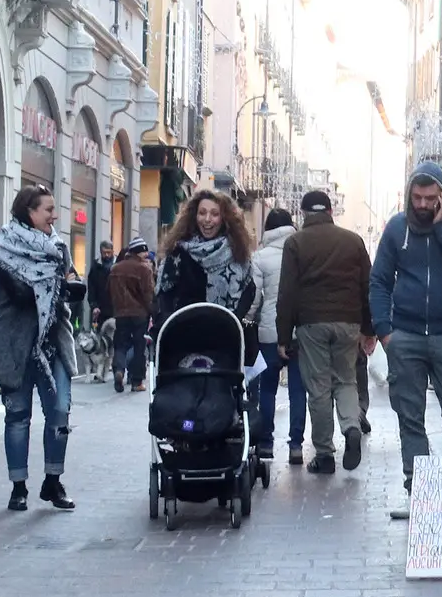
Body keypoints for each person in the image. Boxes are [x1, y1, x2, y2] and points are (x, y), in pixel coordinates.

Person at [370, 160, 442, 492]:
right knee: (409, 414)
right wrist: (384, 331)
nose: (422, 204)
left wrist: (441, 229)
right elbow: (379, 281)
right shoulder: (396, 228)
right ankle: (417, 482)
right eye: (416, 198)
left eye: (429, 197)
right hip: (405, 335)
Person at [0, 185, 88, 512]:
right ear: (29, 211)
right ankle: (19, 488)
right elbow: (20, 294)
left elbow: (68, 282)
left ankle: (52, 481)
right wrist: (60, 286)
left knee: (59, 410)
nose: (54, 215)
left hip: (52, 342)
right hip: (15, 343)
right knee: (17, 416)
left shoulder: (58, 246)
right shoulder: (3, 249)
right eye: (48, 209)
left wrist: (69, 286)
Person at [277, 191, 375, 474]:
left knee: (319, 387)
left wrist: (284, 336)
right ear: (331, 212)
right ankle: (352, 426)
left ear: (303, 213)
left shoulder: (295, 243)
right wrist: (368, 329)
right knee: (346, 380)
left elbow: (287, 293)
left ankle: (324, 453)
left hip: (311, 324)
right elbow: (367, 286)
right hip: (348, 323)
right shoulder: (353, 241)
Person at [248, 209, 308, 464]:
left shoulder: (260, 257)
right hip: (299, 330)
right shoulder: (303, 252)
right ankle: (296, 446)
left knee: (268, 389)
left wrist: (248, 319)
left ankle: (266, 443)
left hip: (269, 332)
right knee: (298, 390)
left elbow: (255, 298)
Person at [153, 190, 256, 334]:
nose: (207, 219)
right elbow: (164, 298)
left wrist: (230, 323)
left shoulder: (238, 254)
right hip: (182, 341)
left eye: (215, 214)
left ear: (225, 218)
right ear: (194, 216)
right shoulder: (178, 252)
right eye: (202, 213)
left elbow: (248, 292)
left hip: (223, 341)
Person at [108, 238, 154, 393]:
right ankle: (136, 381)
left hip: (120, 313)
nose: (146, 254)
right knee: (139, 347)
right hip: (140, 314)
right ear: (138, 252)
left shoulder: (115, 268)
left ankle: (119, 370)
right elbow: (148, 294)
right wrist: (153, 311)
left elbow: (109, 291)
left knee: (120, 344)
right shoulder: (144, 269)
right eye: (144, 251)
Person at [88, 240, 115, 327]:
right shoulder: (95, 266)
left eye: (108, 252)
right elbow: (91, 287)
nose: (106, 255)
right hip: (100, 309)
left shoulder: (119, 265)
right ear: (100, 252)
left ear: (112, 252)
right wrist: (93, 305)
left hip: (116, 308)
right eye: (104, 253)